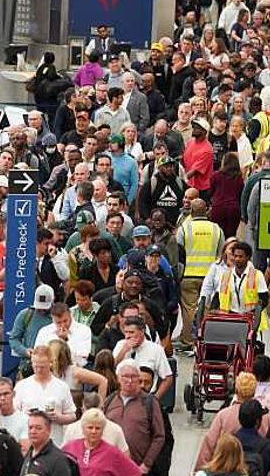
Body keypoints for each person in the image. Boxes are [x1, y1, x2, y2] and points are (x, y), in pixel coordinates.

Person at [177, 198, 226, 347]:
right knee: (206, 308)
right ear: (207, 210)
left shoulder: (185, 228)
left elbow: (178, 253)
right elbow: (221, 254)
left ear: (191, 211)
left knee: (189, 309)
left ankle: (188, 340)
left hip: (188, 276)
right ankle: (204, 338)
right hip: (210, 277)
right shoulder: (217, 229)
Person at [102, 359, 165, 474]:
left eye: (133, 376)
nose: (129, 381)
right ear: (118, 379)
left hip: (138, 468)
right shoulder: (110, 401)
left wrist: (146, 465)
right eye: (125, 376)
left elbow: (159, 436)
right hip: (111, 468)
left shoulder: (150, 402)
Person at [61, 408, 141, 476]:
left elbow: (135, 473)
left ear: (103, 430)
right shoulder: (70, 447)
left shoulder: (112, 453)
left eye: (98, 428)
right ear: (83, 428)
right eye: (90, 427)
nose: (93, 431)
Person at [21, 411, 75, 476]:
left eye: (38, 428)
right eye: (30, 427)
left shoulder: (58, 459)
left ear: (49, 430)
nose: (33, 431)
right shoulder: (29, 452)